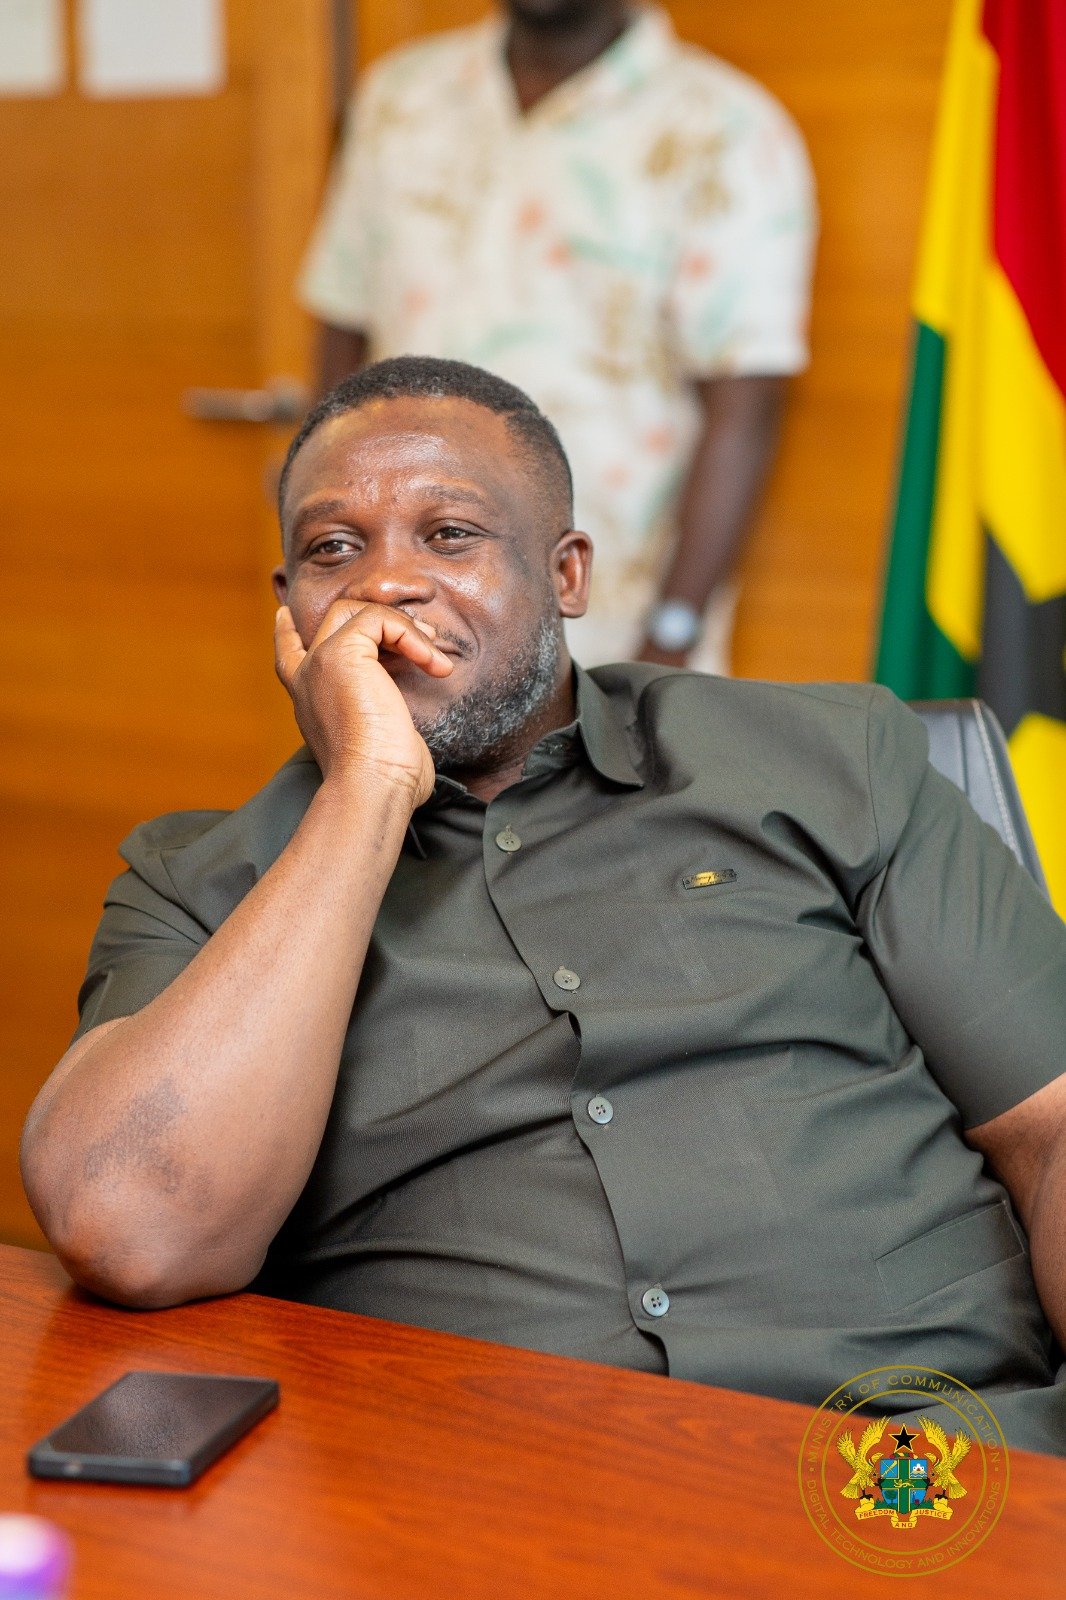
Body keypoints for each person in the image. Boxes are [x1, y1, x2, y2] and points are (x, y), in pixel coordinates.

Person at [21, 358, 1066, 1457]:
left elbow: (1048, 1134)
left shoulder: (830, 759)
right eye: (333, 550)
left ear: (566, 574)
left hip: (931, 1465)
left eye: (449, 536)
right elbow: (128, 1231)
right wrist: (366, 789)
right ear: (290, 612)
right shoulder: (199, 880)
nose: (387, 584)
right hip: (507, 1488)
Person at [299, 1, 816, 672]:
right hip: (393, 609)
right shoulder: (399, 99)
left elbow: (744, 410)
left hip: (608, 635)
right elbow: (343, 328)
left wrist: (669, 638)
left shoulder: (725, 130)